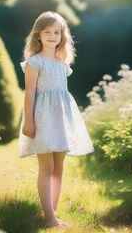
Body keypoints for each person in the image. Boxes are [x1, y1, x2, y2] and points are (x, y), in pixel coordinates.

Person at [17, 11, 95, 228]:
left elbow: (61, 95)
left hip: (61, 118)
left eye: (57, 32)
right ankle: (50, 218)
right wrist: (29, 122)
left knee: (59, 166)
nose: (52, 36)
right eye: (47, 31)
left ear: (63, 36)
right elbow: (30, 93)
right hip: (42, 117)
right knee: (46, 166)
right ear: (38, 35)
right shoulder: (34, 62)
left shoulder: (62, 64)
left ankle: (52, 212)